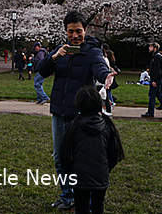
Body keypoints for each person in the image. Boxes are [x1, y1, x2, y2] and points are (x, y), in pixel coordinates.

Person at [37, 11, 110, 211]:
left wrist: (106, 77)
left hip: (80, 115)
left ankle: (84, 198)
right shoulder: (62, 50)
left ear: (85, 30)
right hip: (59, 112)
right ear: (66, 32)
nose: (75, 35)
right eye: (71, 31)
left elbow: (99, 67)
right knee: (60, 157)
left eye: (78, 31)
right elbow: (41, 69)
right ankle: (67, 196)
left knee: (81, 159)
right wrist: (54, 57)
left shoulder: (92, 52)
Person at [61, 86, 124, 214]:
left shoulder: (74, 126)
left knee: (81, 208)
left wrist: (70, 172)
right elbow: (114, 154)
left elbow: (65, 154)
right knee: (98, 207)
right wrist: (106, 169)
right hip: (100, 177)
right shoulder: (107, 125)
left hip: (79, 178)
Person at [141, 43, 162, 118]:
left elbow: (156, 70)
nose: (149, 48)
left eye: (151, 47)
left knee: (152, 95)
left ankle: (151, 112)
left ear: (155, 48)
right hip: (159, 79)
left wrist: (154, 80)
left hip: (156, 79)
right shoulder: (157, 56)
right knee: (159, 94)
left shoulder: (156, 57)